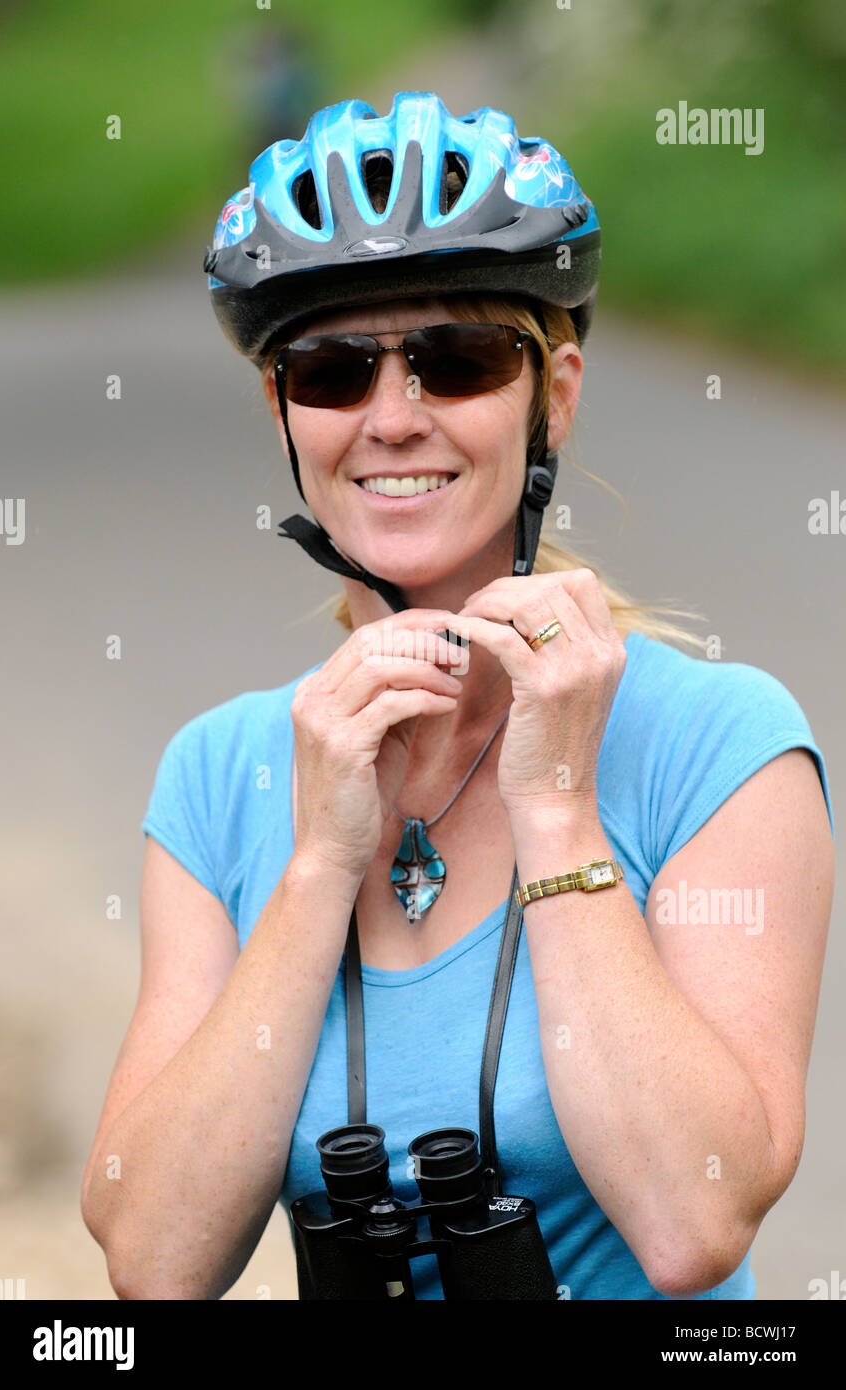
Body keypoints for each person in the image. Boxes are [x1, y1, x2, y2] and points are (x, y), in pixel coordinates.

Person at [81, 92, 834, 1301]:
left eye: (457, 358)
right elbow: (153, 1263)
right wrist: (319, 865)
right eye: (329, 369)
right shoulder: (221, 775)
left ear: (556, 391)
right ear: (284, 412)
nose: (390, 418)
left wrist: (556, 808)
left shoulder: (723, 744)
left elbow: (692, 1220)